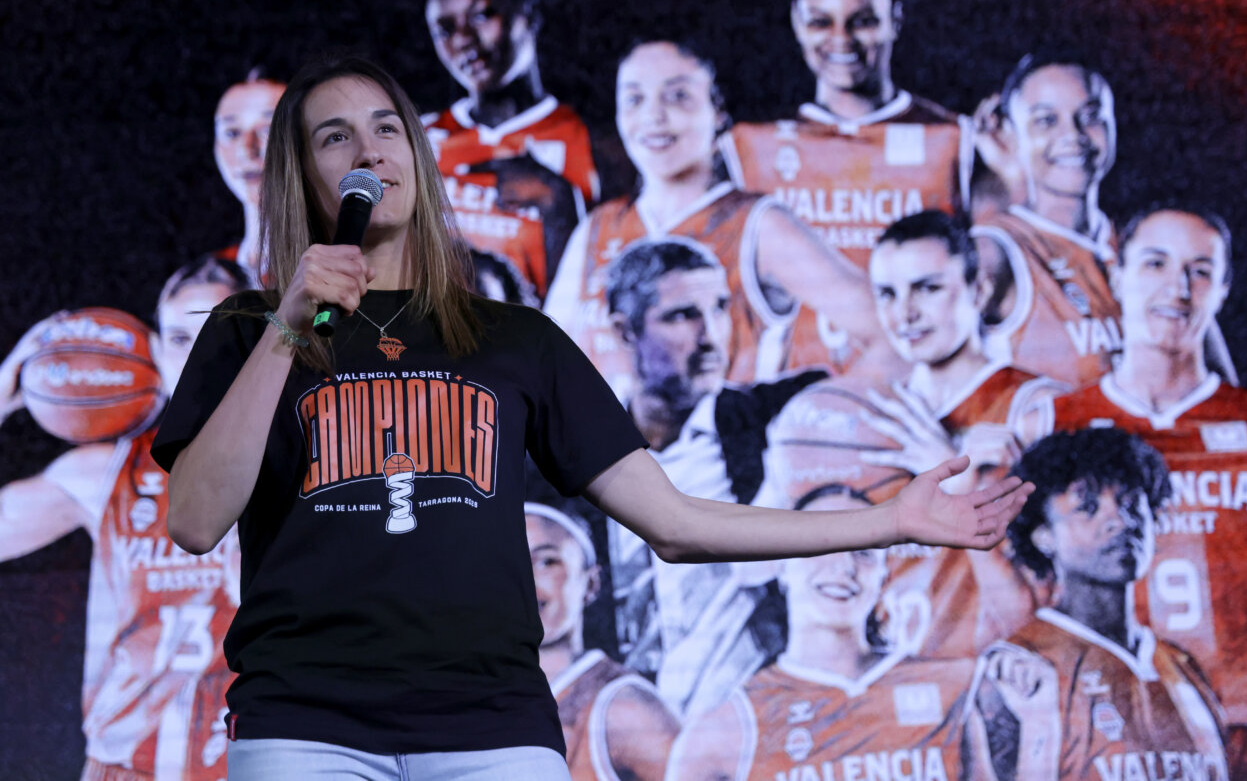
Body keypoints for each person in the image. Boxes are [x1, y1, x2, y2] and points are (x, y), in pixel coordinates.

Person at [150, 54, 1031, 781]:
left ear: (417, 157)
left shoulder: (514, 341)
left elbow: (678, 525)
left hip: (491, 731)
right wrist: (287, 330)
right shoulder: (244, 333)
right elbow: (193, 520)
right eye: (334, 136)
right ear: (302, 174)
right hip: (309, 727)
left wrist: (895, 520)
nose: (369, 150)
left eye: (388, 128)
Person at [1045, 206, 1247, 778]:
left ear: (1222, 290)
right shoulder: (1057, 422)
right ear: (1116, 274)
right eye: (1155, 264)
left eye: (1200, 271)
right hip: (1117, 731)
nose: (1178, 288)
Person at [763, 212, 1058, 659]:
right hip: (891, 681)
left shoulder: (1033, 409)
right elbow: (755, 567)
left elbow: (1058, 585)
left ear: (978, 292)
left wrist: (960, 488)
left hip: (996, 670)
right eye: (888, 294)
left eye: (928, 288)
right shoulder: (860, 415)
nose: (905, 313)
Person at [0, 255, 250, 780]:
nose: (201, 356)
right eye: (182, 340)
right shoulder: (106, 475)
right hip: (124, 769)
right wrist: (2, 393)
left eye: (219, 333)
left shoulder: (308, 466)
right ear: (157, 354)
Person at [544, 40, 900, 404]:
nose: (653, 117)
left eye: (677, 96)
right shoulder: (599, 228)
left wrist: (817, 424)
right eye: (635, 99)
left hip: (721, 457)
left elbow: (893, 334)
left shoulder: (761, 226)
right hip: (614, 459)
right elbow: (544, 366)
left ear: (717, 111)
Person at [720, 0, 972, 373]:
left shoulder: (953, 139)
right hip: (793, 403)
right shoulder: (750, 146)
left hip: (915, 395)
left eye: (862, 21)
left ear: (895, 20)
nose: (841, 39)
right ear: (797, 24)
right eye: (821, 22)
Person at [603, 238, 824, 716]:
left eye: (719, 308)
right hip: (624, 731)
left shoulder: (773, 417)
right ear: (625, 332)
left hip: (754, 719)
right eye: (682, 315)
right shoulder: (570, 450)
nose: (711, 335)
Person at [966, 428, 1229, 780]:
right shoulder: (1018, 669)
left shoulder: (1184, 667)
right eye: (1087, 508)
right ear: (1043, 536)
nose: (1119, 522)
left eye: (1130, 503)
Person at [667, 486, 974, 781]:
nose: (844, 566)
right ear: (782, 564)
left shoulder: (951, 686)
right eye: (819, 545)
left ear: (884, 574)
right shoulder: (728, 729)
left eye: (865, 552)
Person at [422, 0, 597, 300]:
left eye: (480, 16)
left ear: (528, 14)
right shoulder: (418, 138)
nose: (462, 39)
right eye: (445, 29)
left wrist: (559, 202)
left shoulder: (590, 141)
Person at [971, 57, 1125, 389]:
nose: (1073, 135)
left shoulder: (1140, 244)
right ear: (1011, 138)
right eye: (1046, 121)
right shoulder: (996, 248)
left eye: (1090, 116)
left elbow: (1215, 385)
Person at [526, 503, 679, 781]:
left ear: (592, 582)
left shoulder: (622, 708)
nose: (525, 581)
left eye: (547, 562)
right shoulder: (479, 698)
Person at [213, 72, 287, 282]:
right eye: (232, 132)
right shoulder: (206, 280)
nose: (246, 149)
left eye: (269, 129)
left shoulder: (351, 270)